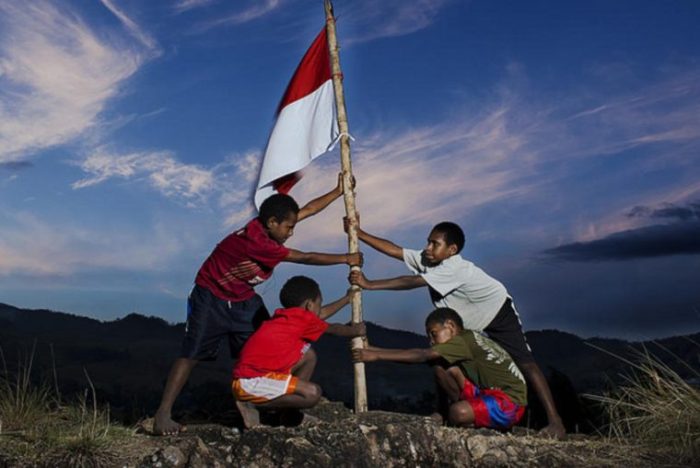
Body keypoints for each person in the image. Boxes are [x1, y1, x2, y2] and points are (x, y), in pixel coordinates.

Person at [153, 177, 361, 435]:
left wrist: (337, 191)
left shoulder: (269, 225)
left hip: (244, 299)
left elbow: (306, 210)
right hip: (210, 296)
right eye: (289, 228)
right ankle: (162, 414)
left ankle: (281, 409)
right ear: (272, 224)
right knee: (192, 354)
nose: (292, 232)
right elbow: (306, 257)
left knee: (267, 346)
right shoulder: (259, 243)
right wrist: (346, 258)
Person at [347, 219, 566, 438]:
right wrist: (360, 233)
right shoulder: (429, 258)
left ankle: (556, 422)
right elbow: (395, 250)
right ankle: (446, 411)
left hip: (496, 309)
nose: (428, 248)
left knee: (526, 363)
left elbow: (410, 281)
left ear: (451, 250)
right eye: (428, 242)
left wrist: (370, 284)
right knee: (440, 356)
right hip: (466, 319)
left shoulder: (453, 268)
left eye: (435, 244)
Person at [353, 307, 526, 430]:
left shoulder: (463, 341)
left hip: (510, 404)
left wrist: (376, 356)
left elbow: (421, 355)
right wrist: (373, 349)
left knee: (458, 413)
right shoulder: (467, 338)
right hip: (487, 393)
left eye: (434, 334)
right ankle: (445, 414)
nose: (432, 341)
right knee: (441, 366)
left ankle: (464, 420)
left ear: (450, 327)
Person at [233, 275, 365, 428]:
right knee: (312, 394)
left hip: (251, 377)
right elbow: (334, 329)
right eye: (319, 303)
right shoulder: (303, 320)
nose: (319, 309)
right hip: (251, 382)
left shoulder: (288, 317)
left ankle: (288, 414)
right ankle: (251, 404)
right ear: (309, 305)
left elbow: (319, 314)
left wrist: (346, 299)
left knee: (308, 356)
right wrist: (356, 330)